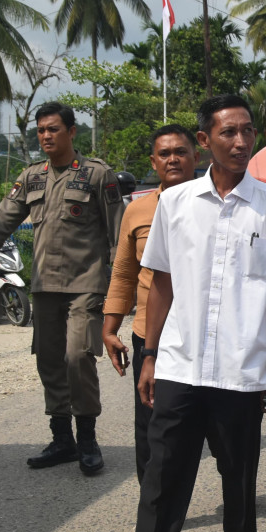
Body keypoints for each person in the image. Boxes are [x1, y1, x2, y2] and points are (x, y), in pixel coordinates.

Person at [86, 94, 266, 532]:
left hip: (240, 372)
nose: (240, 141)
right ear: (205, 140)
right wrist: (149, 356)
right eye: (228, 132)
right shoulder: (175, 203)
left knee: (239, 483)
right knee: (162, 483)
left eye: (247, 131)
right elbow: (160, 284)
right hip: (180, 368)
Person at [0, 102, 123, 474]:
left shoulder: (96, 174)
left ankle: (88, 438)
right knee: (48, 359)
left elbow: (117, 236)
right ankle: (62, 439)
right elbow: (0, 224)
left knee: (78, 357)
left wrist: (123, 289)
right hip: (45, 285)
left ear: (71, 132)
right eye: (41, 130)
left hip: (86, 283)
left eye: (54, 129)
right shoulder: (30, 177)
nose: (46, 136)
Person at [100, 125, 199, 486]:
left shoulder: (216, 207)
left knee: (218, 428)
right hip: (151, 337)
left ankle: (237, 499)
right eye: (164, 153)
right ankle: (153, 509)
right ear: (153, 162)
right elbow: (124, 274)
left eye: (181, 152)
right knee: (151, 428)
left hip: (204, 335)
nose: (173, 158)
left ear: (196, 157)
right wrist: (110, 328)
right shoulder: (137, 211)